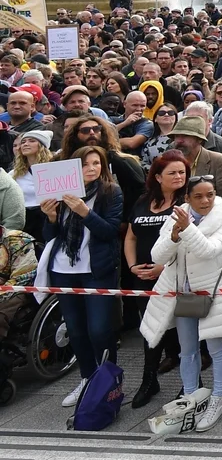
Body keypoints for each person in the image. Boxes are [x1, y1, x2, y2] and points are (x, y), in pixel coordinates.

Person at [139, 172, 222, 432]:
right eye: (197, 196)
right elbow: (157, 256)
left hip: (212, 293)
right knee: (187, 351)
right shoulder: (176, 217)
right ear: (187, 198)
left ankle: (217, 400)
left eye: (210, 195)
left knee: (216, 348)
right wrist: (174, 235)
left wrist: (186, 229)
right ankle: (191, 399)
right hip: (181, 294)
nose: (205, 201)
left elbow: (209, 251)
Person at [41, 145, 124, 407]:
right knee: (75, 331)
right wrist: (51, 217)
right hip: (63, 270)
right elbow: (50, 238)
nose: (91, 169)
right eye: (86, 164)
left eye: (96, 164)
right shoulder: (62, 193)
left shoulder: (111, 192)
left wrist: (85, 212)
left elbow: (110, 231)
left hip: (96, 271)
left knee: (99, 330)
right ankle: (87, 378)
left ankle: (109, 381)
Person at [124, 151, 189, 408]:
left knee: (186, 332)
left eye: (182, 172)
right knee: (150, 329)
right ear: (158, 176)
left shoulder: (188, 202)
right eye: (172, 172)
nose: (178, 177)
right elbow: (131, 237)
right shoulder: (143, 201)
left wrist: (163, 267)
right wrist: (132, 266)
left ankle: (189, 382)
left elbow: (189, 240)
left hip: (176, 276)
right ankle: (149, 380)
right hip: (143, 276)